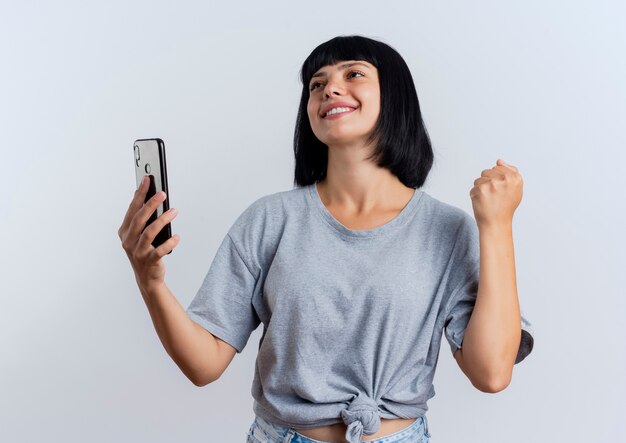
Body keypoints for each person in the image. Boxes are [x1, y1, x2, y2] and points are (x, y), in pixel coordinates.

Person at [119, 35, 534, 443]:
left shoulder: (448, 230)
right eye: (316, 84)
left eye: (353, 74)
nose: (329, 88)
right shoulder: (268, 220)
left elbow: (491, 373)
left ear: (395, 97)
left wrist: (496, 227)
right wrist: (150, 281)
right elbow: (204, 364)